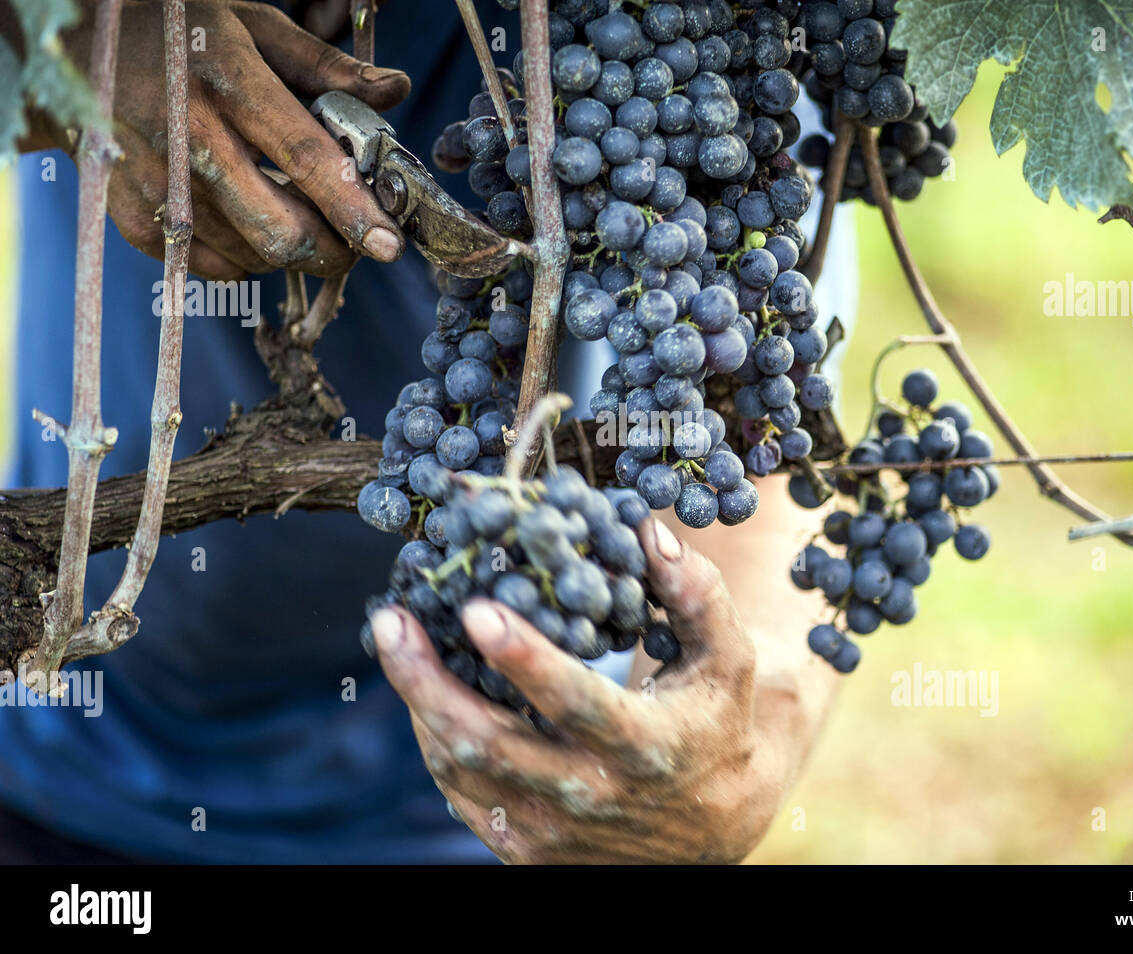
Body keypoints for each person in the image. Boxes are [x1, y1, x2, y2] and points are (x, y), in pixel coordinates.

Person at [0, 0, 842, 863]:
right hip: (65, 752)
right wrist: (69, 49)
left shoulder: (692, 38)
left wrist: (748, 741)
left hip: (485, 801)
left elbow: (755, 437)